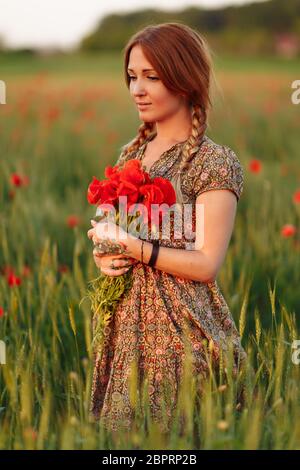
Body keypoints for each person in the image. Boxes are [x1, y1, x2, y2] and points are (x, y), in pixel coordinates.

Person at [87, 22, 248, 435]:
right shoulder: (132, 153)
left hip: (182, 332)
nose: (137, 89)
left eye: (152, 78)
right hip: (126, 328)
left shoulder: (211, 163)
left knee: (176, 440)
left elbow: (207, 264)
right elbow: (118, 234)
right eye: (132, 77)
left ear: (185, 80)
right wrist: (105, 254)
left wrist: (136, 247)